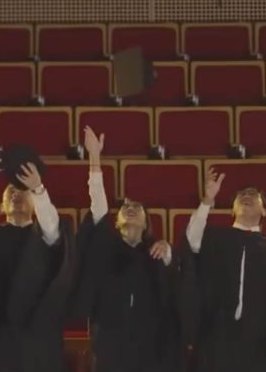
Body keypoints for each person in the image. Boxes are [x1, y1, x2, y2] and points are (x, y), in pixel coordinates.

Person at [71, 126, 180, 372]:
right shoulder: (105, 248)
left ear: (147, 222)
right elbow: (97, 201)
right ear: (116, 222)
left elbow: (177, 288)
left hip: (150, 347)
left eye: (137, 207)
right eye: (124, 208)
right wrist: (95, 157)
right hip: (110, 342)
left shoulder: (157, 253)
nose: (129, 207)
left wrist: (169, 255)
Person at [0, 147, 76, 372]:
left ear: (35, 204)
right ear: (2, 206)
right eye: (10, 192)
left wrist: (38, 188)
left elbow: (52, 226)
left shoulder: (44, 234)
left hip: (38, 335)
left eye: (22, 191)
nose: (16, 194)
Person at [178, 169, 266, 372]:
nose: (246, 196)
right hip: (217, 338)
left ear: (264, 211)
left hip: (258, 342)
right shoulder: (215, 238)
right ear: (232, 210)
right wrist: (208, 200)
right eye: (241, 195)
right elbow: (191, 240)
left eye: (253, 194)